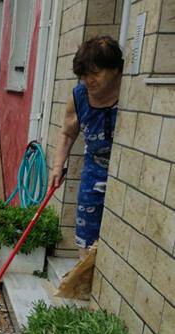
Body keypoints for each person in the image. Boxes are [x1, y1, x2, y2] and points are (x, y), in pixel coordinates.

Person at [49, 35, 123, 259]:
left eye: (95, 73)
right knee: (87, 224)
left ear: (116, 70)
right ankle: (84, 271)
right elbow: (67, 133)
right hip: (94, 167)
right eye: (83, 76)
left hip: (122, 170)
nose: (89, 81)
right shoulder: (79, 96)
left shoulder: (130, 92)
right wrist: (57, 166)